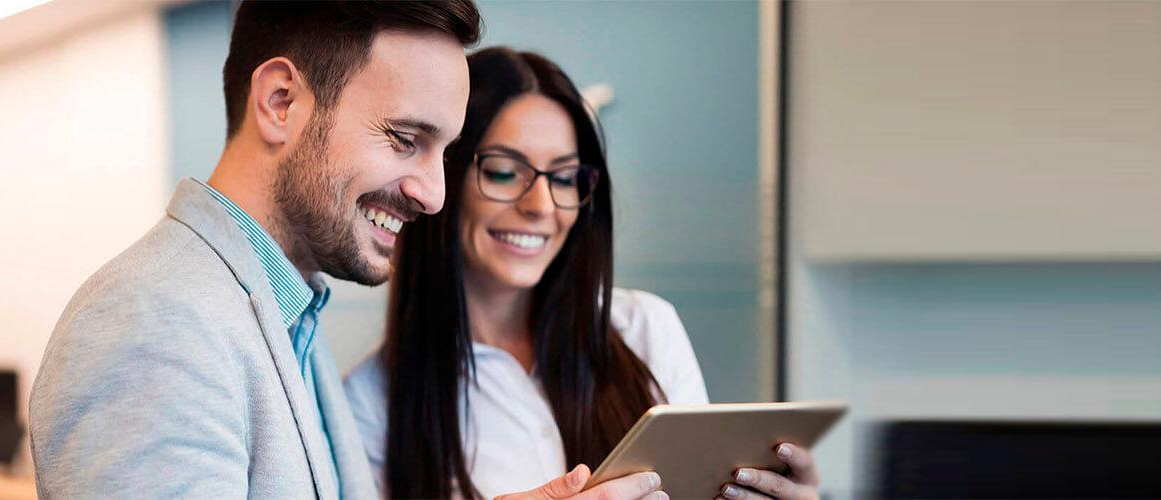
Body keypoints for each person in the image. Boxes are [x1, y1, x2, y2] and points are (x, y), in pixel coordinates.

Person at [28, 1, 479, 497]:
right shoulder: (150, 322)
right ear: (280, 102)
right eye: (405, 138)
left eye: (445, 152)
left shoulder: (287, 307)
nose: (435, 195)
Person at [343, 48, 822, 500]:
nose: (541, 206)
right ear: (442, 177)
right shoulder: (370, 400)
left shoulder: (645, 327)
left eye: (565, 177)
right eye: (505, 172)